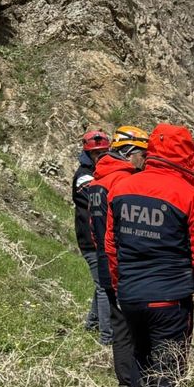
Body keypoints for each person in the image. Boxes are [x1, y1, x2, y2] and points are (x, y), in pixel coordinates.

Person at [105, 124, 194, 387]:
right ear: (186, 155)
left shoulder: (121, 189)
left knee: (140, 356)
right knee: (170, 366)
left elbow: (111, 246)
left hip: (131, 295)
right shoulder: (190, 197)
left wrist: (119, 286)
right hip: (170, 300)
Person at [84, 126, 148, 387]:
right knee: (134, 331)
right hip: (123, 264)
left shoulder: (98, 181)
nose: (144, 160)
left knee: (120, 328)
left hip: (104, 259)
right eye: (142, 154)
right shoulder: (123, 182)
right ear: (128, 152)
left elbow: (95, 228)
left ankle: (125, 385)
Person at [74, 128, 112, 341]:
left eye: (104, 152)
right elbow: (101, 198)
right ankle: (107, 337)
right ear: (88, 154)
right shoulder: (84, 177)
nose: (101, 156)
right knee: (105, 288)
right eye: (97, 153)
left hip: (96, 239)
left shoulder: (96, 174)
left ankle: (92, 324)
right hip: (91, 241)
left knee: (101, 283)